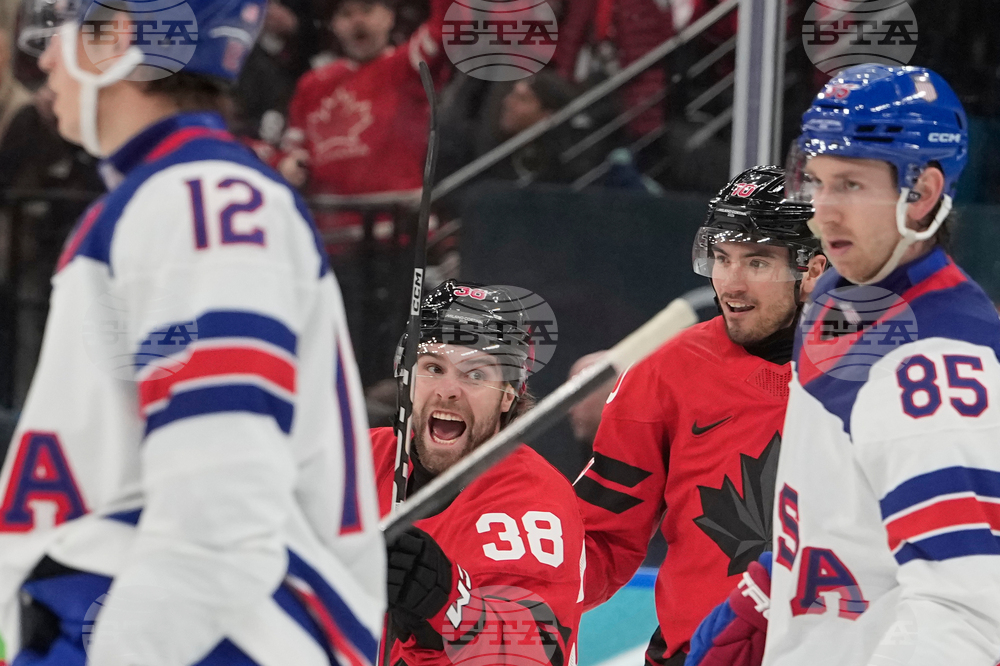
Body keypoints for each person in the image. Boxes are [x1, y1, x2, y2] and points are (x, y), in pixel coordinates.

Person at [0, 0, 385, 663]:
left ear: (116, 39)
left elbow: (220, 521)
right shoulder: (172, 194)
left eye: (65, 26)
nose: (47, 56)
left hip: (213, 637)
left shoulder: (199, 198)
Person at [690, 64, 1000, 666]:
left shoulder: (936, 368)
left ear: (922, 192)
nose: (823, 212)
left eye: (851, 185)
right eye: (817, 181)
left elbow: (964, 613)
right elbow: (835, 497)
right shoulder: (838, 296)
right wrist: (767, 590)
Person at [575, 165, 826, 665]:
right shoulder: (664, 374)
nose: (731, 284)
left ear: (812, 272)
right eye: (722, 258)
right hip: (698, 654)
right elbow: (598, 538)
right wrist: (500, 595)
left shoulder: (875, 374)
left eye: (757, 262)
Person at [371, 280, 585, 666]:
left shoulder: (533, 501)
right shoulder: (360, 458)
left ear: (509, 394)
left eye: (475, 375)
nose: (448, 391)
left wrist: (447, 603)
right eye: (433, 367)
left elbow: (532, 654)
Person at [277, 0, 448, 250]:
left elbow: (445, 28)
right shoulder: (312, 84)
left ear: (389, 17)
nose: (357, 21)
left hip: (399, 234)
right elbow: (290, 149)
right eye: (346, 14)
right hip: (331, 240)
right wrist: (289, 163)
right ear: (334, 25)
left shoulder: (408, 66)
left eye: (367, 10)